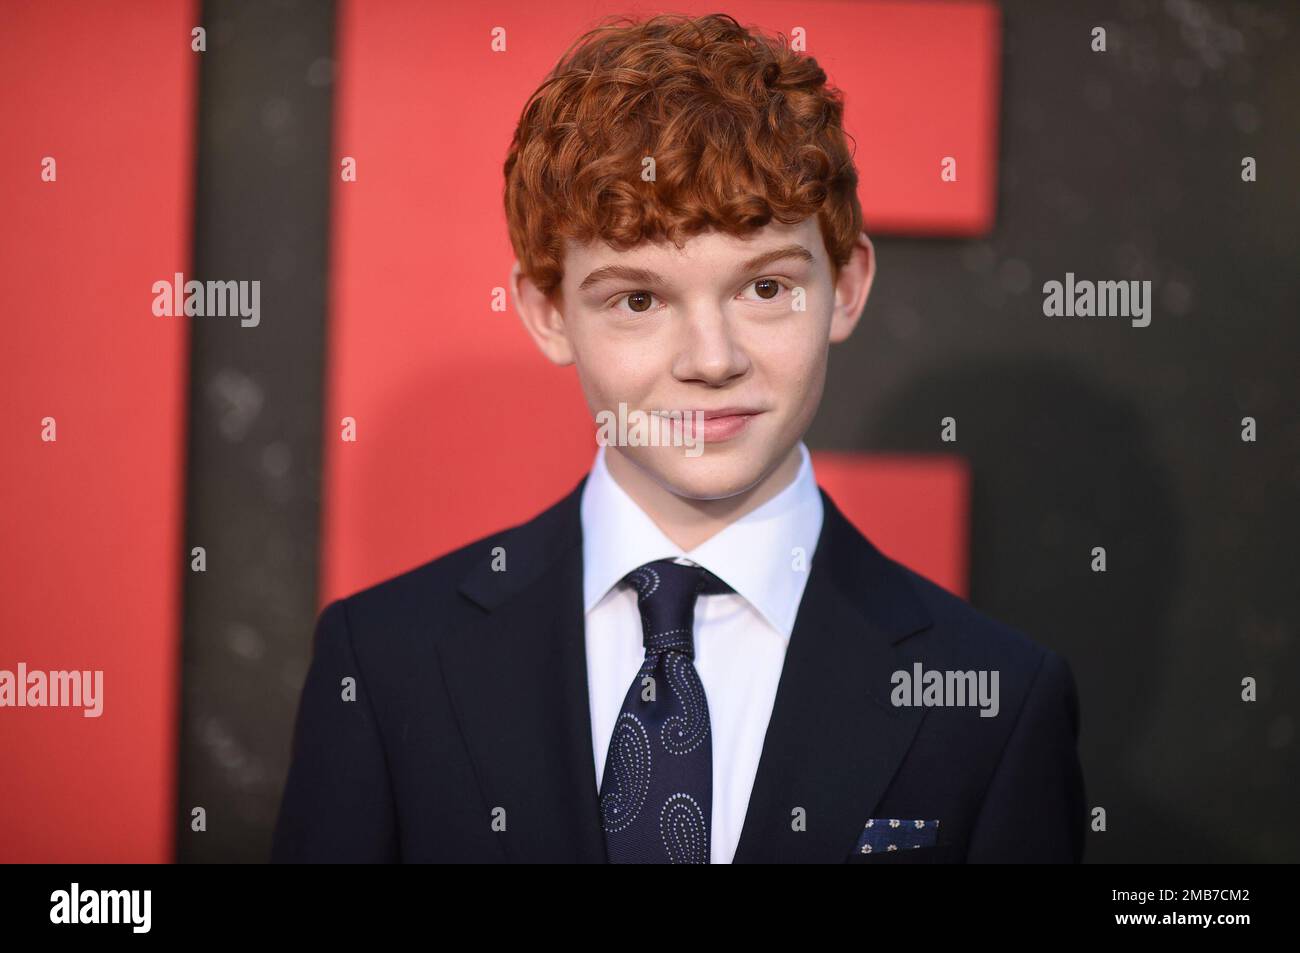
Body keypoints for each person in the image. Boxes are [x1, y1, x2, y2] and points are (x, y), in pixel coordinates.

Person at [272, 12, 1085, 863]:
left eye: (766, 287)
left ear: (846, 286)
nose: (712, 359)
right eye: (638, 300)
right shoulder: (387, 659)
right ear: (549, 313)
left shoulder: (998, 698)